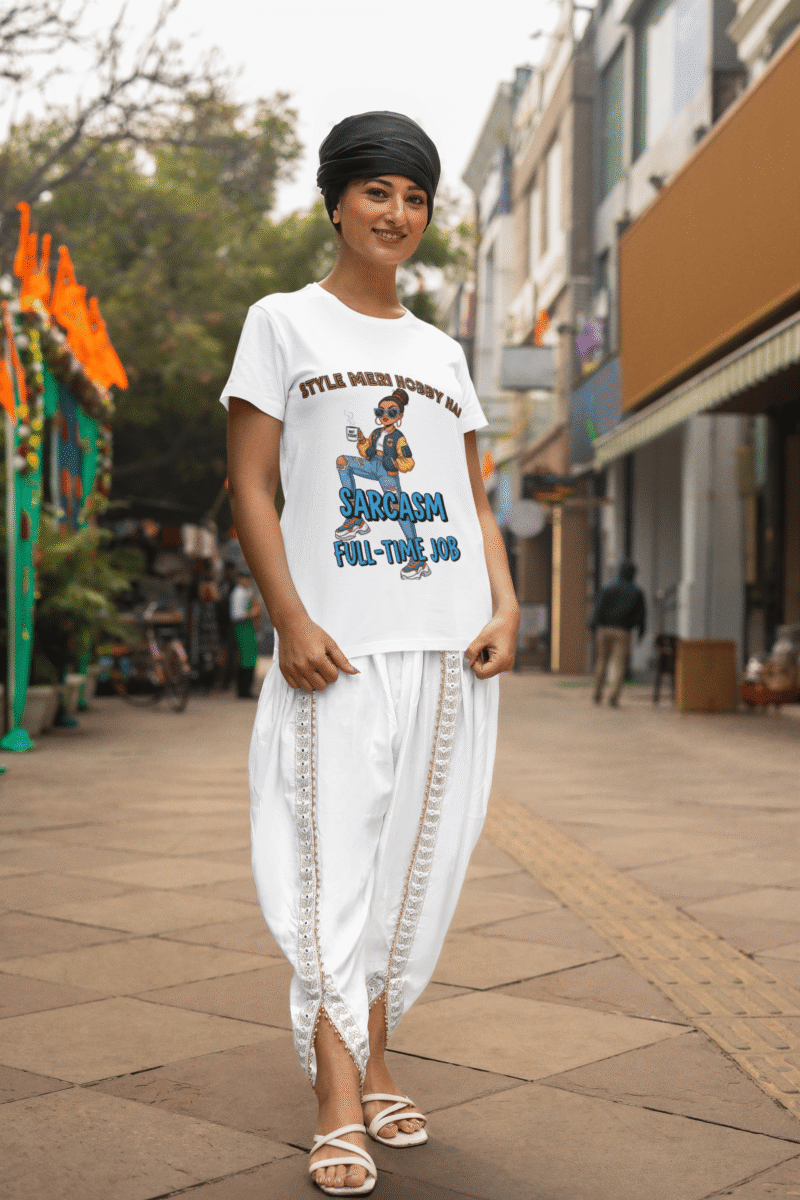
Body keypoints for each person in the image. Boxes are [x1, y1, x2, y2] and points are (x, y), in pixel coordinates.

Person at [223, 110, 519, 1196]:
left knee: (410, 875)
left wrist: (506, 604)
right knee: (324, 869)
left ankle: (380, 1056)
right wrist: (292, 618)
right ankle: (334, 1095)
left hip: (448, 652)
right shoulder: (281, 323)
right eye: (377, 192)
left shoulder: (439, 350)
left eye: (414, 198)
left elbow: (472, 500)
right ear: (335, 200)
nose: (396, 214)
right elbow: (252, 484)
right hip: (334, 652)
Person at [589, 559, 646, 707]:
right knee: (619, 664)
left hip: (604, 629)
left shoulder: (607, 589)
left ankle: (597, 693)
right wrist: (641, 631)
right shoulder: (636, 592)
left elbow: (597, 609)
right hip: (623, 631)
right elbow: (641, 615)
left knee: (602, 660)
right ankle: (613, 696)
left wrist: (592, 626)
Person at [229, 568, 260, 698]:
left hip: (247, 629)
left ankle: (246, 689)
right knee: (245, 660)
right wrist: (252, 614)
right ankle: (243, 690)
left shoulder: (246, 592)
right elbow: (237, 615)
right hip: (242, 628)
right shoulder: (239, 593)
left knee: (249, 659)